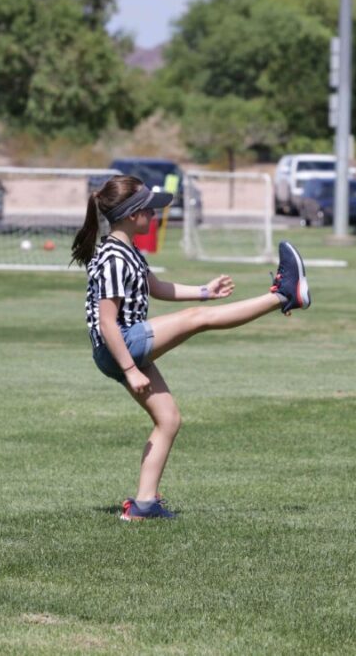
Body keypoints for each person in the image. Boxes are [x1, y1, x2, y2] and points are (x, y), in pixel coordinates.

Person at [70, 175, 311, 521]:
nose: (153, 215)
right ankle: (285, 294)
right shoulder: (112, 258)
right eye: (148, 209)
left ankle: (144, 506)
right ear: (130, 214)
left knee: (168, 420)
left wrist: (205, 290)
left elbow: (156, 287)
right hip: (119, 347)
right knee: (198, 319)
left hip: (124, 346)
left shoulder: (127, 252)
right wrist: (130, 369)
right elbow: (108, 323)